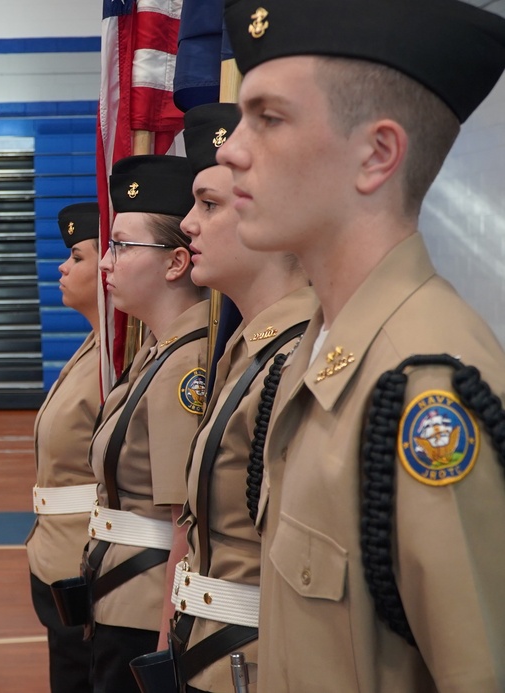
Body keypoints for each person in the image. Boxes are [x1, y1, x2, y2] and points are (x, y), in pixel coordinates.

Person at [215, 0, 505, 690]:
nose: (229, 148)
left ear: (376, 155)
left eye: (269, 117)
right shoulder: (319, 353)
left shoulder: (421, 389)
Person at [158, 102, 316, 693]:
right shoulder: (244, 352)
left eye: (208, 204)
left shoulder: (298, 360)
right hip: (211, 648)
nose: (188, 225)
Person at [85, 154, 208, 692]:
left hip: (145, 607)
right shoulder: (157, 352)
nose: (105, 263)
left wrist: (165, 646)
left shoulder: (187, 364)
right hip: (120, 592)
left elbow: (184, 518)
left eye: (121, 245)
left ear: (176, 263)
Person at [26, 202, 102, 693]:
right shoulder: (93, 348)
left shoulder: (122, 359)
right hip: (60, 562)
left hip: (89, 568)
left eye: (77, 256)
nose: (62, 266)